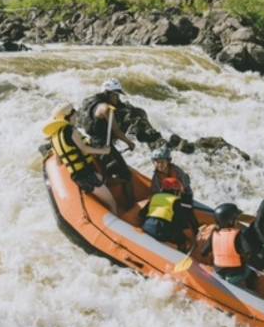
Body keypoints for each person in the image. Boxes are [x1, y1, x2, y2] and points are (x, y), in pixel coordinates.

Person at [43, 104, 118, 214]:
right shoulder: (70, 130)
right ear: (67, 117)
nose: (76, 116)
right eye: (74, 114)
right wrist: (104, 151)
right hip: (87, 175)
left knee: (103, 179)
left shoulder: (54, 138)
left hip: (78, 177)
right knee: (112, 202)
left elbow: (59, 162)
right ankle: (115, 215)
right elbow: (84, 149)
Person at [78, 78, 136, 206]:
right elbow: (116, 132)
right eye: (116, 95)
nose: (117, 99)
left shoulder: (92, 103)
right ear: (109, 94)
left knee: (110, 169)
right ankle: (131, 204)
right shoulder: (106, 109)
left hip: (92, 142)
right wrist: (129, 143)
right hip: (103, 147)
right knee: (127, 175)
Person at [139, 177, 197, 250]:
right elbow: (182, 223)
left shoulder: (155, 197)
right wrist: (192, 240)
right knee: (182, 238)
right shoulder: (175, 201)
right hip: (161, 231)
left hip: (146, 227)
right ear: (175, 190)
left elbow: (142, 214)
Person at [200, 203, 251, 286]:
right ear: (230, 221)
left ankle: (225, 279)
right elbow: (249, 252)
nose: (237, 221)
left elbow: (205, 251)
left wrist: (203, 253)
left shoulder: (214, 233)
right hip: (235, 273)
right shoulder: (238, 235)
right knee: (250, 269)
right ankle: (246, 286)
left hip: (219, 270)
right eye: (236, 219)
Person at [150, 147, 197, 229]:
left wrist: (180, 197)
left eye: (162, 162)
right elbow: (156, 191)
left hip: (182, 194)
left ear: (168, 161)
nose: (160, 165)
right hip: (167, 196)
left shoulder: (177, 171)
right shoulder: (156, 176)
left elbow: (185, 186)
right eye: (157, 162)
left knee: (187, 210)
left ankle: (195, 227)